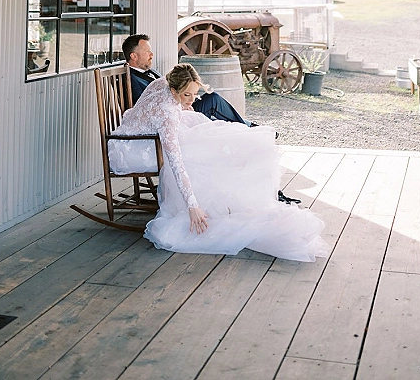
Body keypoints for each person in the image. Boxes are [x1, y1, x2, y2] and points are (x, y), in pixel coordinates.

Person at [110, 63, 328, 262]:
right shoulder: (166, 113)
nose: (192, 99)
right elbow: (176, 164)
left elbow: (147, 109)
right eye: (186, 95)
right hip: (134, 148)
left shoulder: (163, 83)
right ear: (174, 91)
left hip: (139, 135)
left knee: (215, 137)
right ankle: (227, 203)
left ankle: (234, 198)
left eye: (194, 94)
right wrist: (193, 205)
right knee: (203, 156)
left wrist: (182, 106)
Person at [122, 33, 249, 125]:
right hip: (171, 115)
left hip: (180, 106)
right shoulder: (131, 80)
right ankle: (245, 127)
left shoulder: (150, 72)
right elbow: (144, 107)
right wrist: (180, 105)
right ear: (134, 56)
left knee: (212, 103)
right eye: (147, 52)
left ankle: (243, 124)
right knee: (213, 100)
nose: (152, 55)